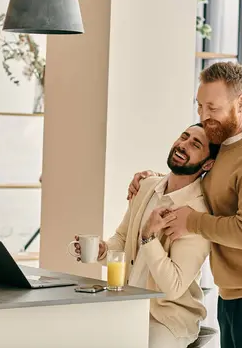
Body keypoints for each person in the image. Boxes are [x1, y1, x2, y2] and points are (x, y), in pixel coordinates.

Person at [127, 62, 242, 348]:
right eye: (200, 107)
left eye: (213, 108)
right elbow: (210, 184)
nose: (204, 117)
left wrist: (192, 221)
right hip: (233, 291)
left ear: (241, 102)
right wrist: (152, 179)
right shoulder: (227, 143)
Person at [73, 123, 219, 348]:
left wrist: (149, 237)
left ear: (207, 163)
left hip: (168, 320)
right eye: (184, 136)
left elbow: (173, 287)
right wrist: (103, 250)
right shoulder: (146, 187)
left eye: (195, 144)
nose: (183, 145)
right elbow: (121, 240)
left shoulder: (197, 212)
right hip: (128, 304)